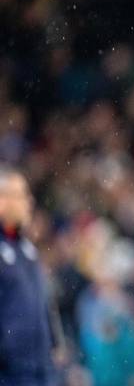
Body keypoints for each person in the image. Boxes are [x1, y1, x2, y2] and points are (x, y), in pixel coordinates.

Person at [0, 165, 58, 385]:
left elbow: (41, 302)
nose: (30, 202)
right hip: (10, 374)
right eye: (22, 195)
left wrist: (54, 342)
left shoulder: (26, 248)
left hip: (40, 370)